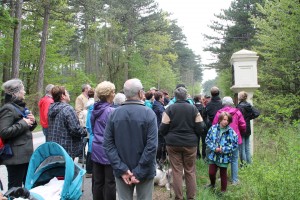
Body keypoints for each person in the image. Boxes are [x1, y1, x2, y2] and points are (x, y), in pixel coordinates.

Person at [104, 78, 158, 200]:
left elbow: (107, 144)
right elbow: (152, 146)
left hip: (124, 170)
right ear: (140, 93)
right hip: (143, 170)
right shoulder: (149, 114)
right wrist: (135, 170)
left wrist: (122, 168)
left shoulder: (114, 114)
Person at [159, 87, 206, 200]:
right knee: (190, 171)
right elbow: (201, 128)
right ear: (186, 96)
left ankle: (178, 197)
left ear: (175, 97)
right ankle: (191, 197)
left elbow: (162, 129)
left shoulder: (169, 109)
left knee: (177, 171)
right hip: (190, 144)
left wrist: (168, 136)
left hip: (173, 144)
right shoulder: (193, 109)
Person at [0, 79, 37, 189]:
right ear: (16, 93)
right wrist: (23, 123)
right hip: (15, 158)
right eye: (23, 90)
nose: (24, 92)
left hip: (24, 156)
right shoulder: (8, 108)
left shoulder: (19, 107)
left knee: (27, 186)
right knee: (15, 188)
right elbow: (3, 132)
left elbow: (26, 128)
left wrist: (32, 121)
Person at [90, 81, 116, 200]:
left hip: (96, 147)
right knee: (110, 182)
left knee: (98, 181)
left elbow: (93, 127)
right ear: (109, 94)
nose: (114, 94)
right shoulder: (111, 111)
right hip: (108, 149)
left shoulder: (94, 109)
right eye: (113, 92)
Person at [212, 96, 246, 185]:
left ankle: (222, 178)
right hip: (235, 139)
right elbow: (243, 125)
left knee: (221, 159)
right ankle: (235, 180)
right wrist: (240, 132)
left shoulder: (219, 113)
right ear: (231, 103)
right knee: (234, 159)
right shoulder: (237, 112)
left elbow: (214, 125)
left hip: (221, 140)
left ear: (223, 104)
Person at [47, 86, 87, 159]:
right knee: (67, 169)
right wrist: (85, 131)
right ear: (63, 96)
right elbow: (75, 129)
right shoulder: (68, 109)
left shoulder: (51, 108)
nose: (69, 95)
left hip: (54, 147)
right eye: (67, 93)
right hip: (66, 148)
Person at [206, 111, 238, 193]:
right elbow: (207, 140)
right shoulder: (213, 129)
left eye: (227, 120)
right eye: (224, 119)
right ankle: (212, 184)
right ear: (220, 119)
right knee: (211, 172)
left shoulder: (231, 132)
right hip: (213, 155)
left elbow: (234, 145)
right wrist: (214, 148)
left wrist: (223, 149)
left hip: (224, 157)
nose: (225, 122)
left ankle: (223, 191)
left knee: (223, 174)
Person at [236, 91, 260, 165]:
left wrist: (247, 118)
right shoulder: (248, 105)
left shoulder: (239, 107)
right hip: (248, 128)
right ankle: (249, 164)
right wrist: (249, 118)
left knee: (242, 148)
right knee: (247, 148)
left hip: (241, 128)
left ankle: (244, 165)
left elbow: (237, 118)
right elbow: (257, 113)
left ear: (240, 97)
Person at [202, 86, 223, 159]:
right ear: (218, 93)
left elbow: (204, 114)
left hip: (210, 125)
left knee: (210, 142)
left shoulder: (208, 104)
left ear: (211, 94)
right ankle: (219, 158)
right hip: (221, 125)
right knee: (221, 141)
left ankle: (208, 158)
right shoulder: (222, 103)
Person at [152, 91, 166, 164]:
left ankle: (159, 159)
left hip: (156, 126)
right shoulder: (159, 106)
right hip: (159, 127)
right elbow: (162, 116)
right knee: (159, 144)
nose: (164, 98)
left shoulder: (155, 104)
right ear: (160, 98)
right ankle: (158, 160)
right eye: (163, 97)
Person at [85, 88, 95, 178]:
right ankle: (89, 170)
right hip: (93, 133)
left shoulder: (88, 106)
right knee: (91, 150)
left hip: (91, 132)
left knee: (90, 150)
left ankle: (89, 170)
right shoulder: (93, 107)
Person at [194, 95, 205, 159]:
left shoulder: (193, 107)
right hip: (202, 124)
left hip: (195, 126)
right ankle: (204, 155)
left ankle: (197, 155)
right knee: (203, 141)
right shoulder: (202, 107)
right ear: (199, 99)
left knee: (197, 141)